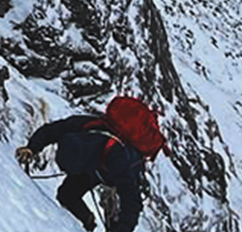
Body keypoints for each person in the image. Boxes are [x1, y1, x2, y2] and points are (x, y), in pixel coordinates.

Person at [15, 97, 164, 232]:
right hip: (95, 167)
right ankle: (88, 223)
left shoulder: (119, 160)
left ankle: (101, 218)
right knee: (67, 195)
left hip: (116, 173)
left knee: (116, 221)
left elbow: (131, 201)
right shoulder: (85, 126)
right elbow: (54, 130)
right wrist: (32, 148)